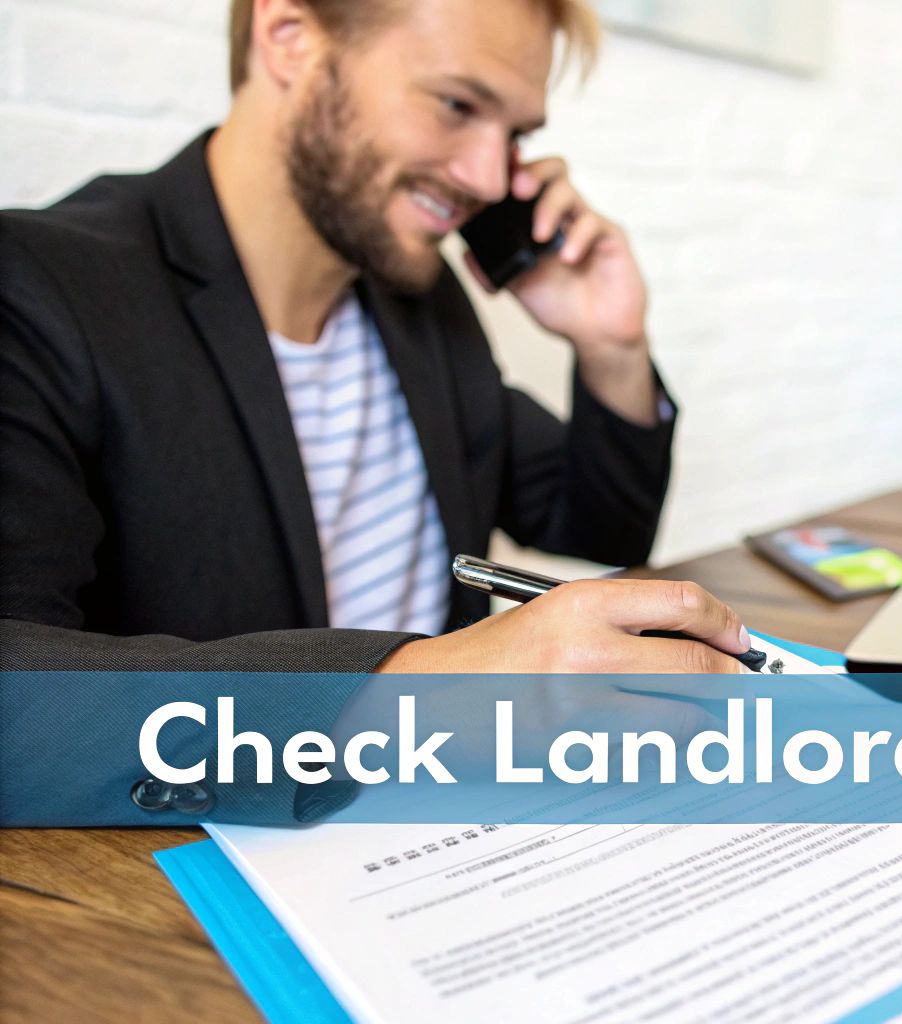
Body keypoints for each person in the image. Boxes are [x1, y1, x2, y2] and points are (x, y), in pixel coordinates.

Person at [0, 0, 748, 824]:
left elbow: (602, 532)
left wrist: (610, 347)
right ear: (289, 38)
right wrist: (417, 695)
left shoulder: (419, 304)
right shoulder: (42, 290)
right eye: (458, 105)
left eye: (515, 135)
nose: (490, 180)